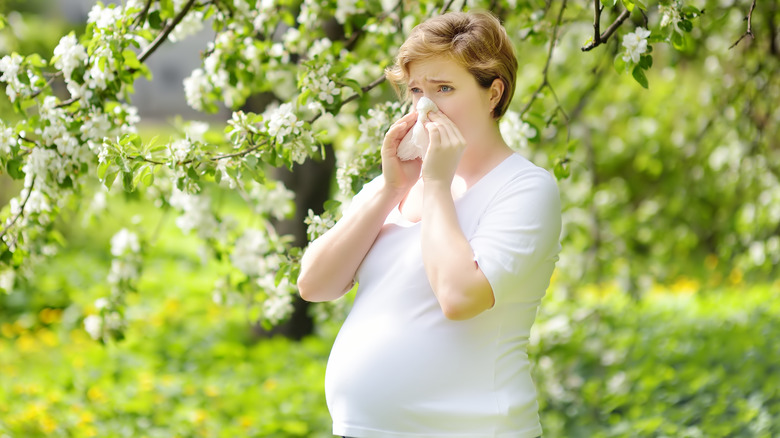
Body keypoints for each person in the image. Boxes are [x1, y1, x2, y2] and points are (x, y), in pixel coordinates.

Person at [297, 10, 561, 438]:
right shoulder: (398, 182)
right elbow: (314, 284)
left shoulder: (525, 189)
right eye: (417, 89)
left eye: (444, 88)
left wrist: (436, 183)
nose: (425, 105)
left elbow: (459, 297)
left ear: (494, 93)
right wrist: (390, 190)